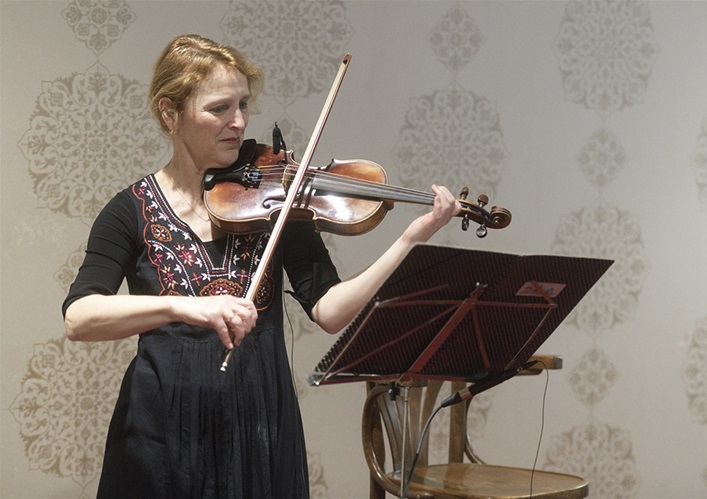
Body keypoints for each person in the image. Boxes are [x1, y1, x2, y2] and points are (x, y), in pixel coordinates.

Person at [63, 34, 459, 499]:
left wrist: (410, 240)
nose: (238, 122)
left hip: (259, 424)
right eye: (219, 108)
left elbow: (330, 310)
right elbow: (79, 318)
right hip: (160, 432)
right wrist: (185, 307)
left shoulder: (278, 199)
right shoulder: (130, 211)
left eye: (243, 105)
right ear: (170, 113)